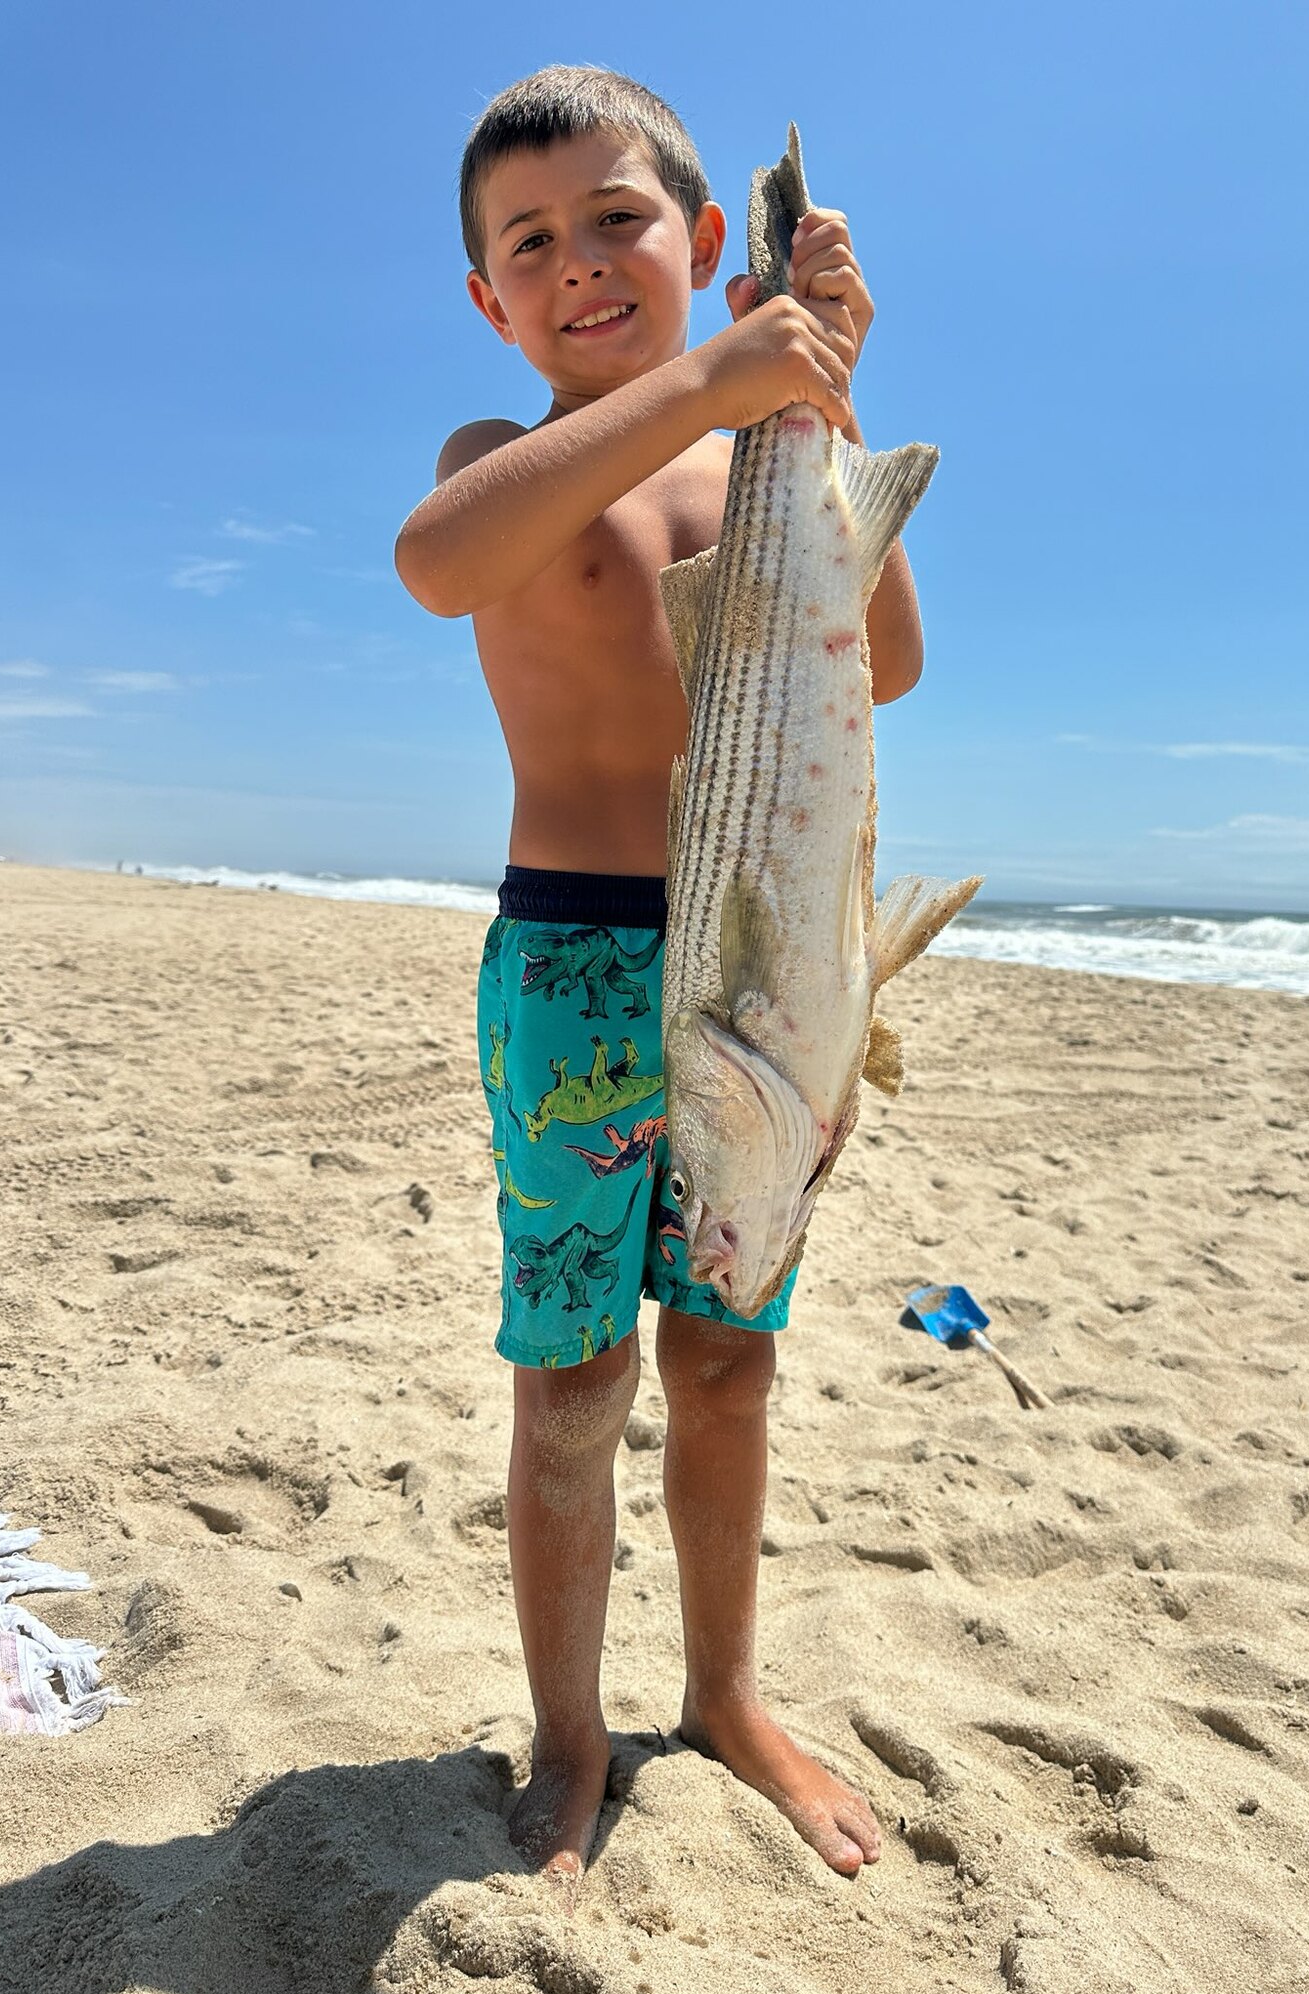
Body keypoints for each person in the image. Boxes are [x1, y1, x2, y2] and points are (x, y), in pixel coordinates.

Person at [396, 65, 927, 1887]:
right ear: (489, 299)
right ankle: (563, 1734)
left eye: (618, 220)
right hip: (573, 982)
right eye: (528, 244)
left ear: (706, 244)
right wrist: (717, 375)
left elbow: (894, 658)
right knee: (568, 1386)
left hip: (765, 974)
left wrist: (819, 391)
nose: (580, 264)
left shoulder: (751, 455)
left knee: (726, 1363)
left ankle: (721, 1696)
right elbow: (436, 565)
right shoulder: (501, 461)